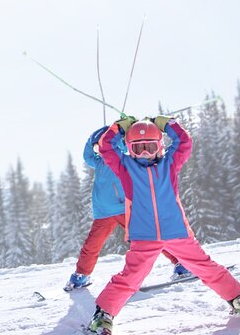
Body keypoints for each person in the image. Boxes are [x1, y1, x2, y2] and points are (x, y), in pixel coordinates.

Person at [83, 116, 240, 335]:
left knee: (207, 267)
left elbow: (184, 142)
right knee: (131, 277)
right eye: (137, 148)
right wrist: (120, 127)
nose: (144, 153)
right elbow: (106, 146)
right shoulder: (125, 167)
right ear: (129, 150)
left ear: (160, 146)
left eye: (150, 147)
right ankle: (103, 316)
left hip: (177, 232)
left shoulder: (169, 163)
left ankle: (237, 299)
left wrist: (167, 124)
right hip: (144, 235)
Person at [67, 125, 194, 292]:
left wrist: (120, 132)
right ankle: (81, 275)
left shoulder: (123, 160)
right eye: (97, 147)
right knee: (92, 245)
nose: (100, 150)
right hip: (103, 213)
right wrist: (95, 136)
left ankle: (181, 262)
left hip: (126, 209)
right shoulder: (97, 163)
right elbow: (87, 155)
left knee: (149, 238)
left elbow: (125, 149)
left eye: (102, 145)